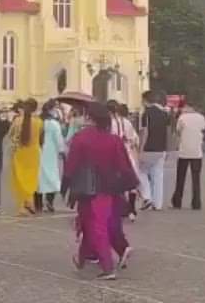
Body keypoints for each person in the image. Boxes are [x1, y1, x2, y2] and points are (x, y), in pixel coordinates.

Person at [65, 102, 140, 280]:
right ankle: (82, 258)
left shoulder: (81, 137)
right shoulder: (113, 139)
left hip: (87, 188)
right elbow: (124, 166)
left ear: (89, 117)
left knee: (92, 224)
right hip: (109, 188)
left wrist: (66, 185)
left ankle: (107, 266)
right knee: (93, 224)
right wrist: (131, 185)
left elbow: (71, 164)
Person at [108, 101, 142, 222]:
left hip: (113, 154)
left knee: (115, 181)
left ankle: (118, 208)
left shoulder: (109, 124)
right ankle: (132, 209)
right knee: (130, 181)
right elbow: (135, 138)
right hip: (127, 152)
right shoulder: (127, 122)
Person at [9, 98, 43, 216]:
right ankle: (30, 201)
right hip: (33, 153)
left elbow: (10, 136)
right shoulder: (39, 122)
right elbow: (40, 139)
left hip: (20, 153)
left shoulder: (17, 121)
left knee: (19, 179)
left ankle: (22, 206)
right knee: (31, 179)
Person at [137, 91, 170, 211]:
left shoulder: (146, 114)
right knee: (158, 175)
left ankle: (147, 197)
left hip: (149, 148)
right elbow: (167, 132)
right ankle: (158, 204)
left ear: (145, 100)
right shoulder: (165, 114)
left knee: (140, 172)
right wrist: (167, 149)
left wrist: (141, 148)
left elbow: (145, 132)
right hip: (161, 149)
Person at [172, 102, 205, 210]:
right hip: (197, 152)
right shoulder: (201, 117)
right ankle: (196, 202)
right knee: (196, 178)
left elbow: (178, 131)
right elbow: (203, 129)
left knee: (180, 177)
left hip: (184, 151)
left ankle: (177, 201)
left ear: (187, 107)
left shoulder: (182, 117)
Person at [36, 100, 66, 213]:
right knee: (52, 177)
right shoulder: (53, 123)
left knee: (38, 177)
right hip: (51, 152)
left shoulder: (37, 121)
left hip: (38, 151)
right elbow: (58, 139)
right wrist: (62, 151)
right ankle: (49, 201)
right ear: (51, 110)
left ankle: (38, 203)